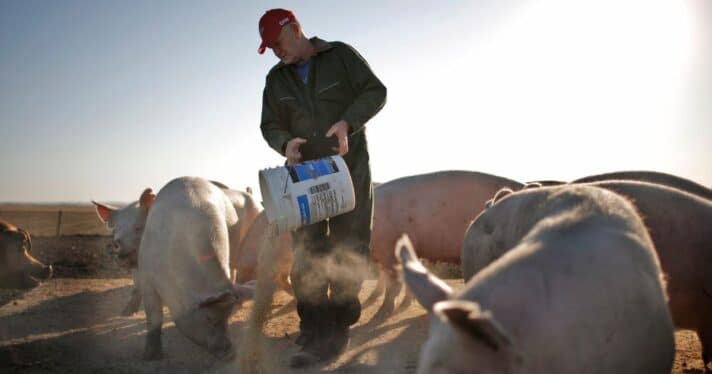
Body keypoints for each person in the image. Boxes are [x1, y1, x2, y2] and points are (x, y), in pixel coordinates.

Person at [257, 8, 387, 368]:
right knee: (308, 252)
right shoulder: (275, 81)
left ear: (295, 29)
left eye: (277, 43)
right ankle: (313, 329)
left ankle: (338, 329)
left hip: (349, 172)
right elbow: (269, 124)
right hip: (305, 179)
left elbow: (376, 91)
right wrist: (285, 144)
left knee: (349, 248)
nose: (275, 51)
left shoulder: (341, 56)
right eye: (269, 47)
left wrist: (348, 123)